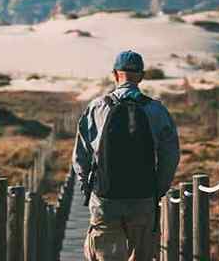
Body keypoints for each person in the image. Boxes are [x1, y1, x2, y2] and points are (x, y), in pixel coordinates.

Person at [72, 50, 180, 261]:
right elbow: (170, 156)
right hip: (143, 196)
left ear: (114, 74)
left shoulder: (96, 107)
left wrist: (89, 187)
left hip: (105, 198)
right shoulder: (157, 111)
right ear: (141, 76)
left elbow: (80, 157)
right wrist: (157, 189)